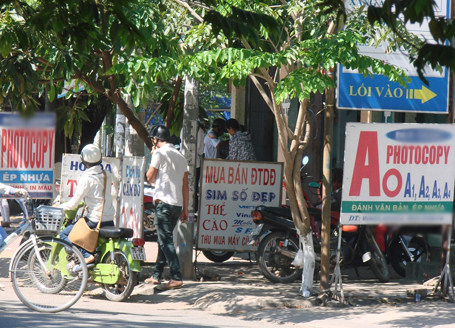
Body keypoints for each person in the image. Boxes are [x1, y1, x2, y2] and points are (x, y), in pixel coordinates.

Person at [145, 125, 189, 290]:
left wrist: (153, 158)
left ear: (156, 139)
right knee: (164, 241)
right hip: (177, 205)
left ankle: (176, 276)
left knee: (165, 241)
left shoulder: (159, 153)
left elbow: (150, 177)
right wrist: (185, 209)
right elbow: (185, 187)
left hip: (163, 203)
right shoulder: (180, 156)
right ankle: (156, 275)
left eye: (153, 140)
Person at [58, 144, 116, 271]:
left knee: (64, 234)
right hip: (109, 219)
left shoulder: (87, 178)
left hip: (94, 221)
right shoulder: (107, 174)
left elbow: (73, 203)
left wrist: (59, 207)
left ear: (84, 160)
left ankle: (86, 255)